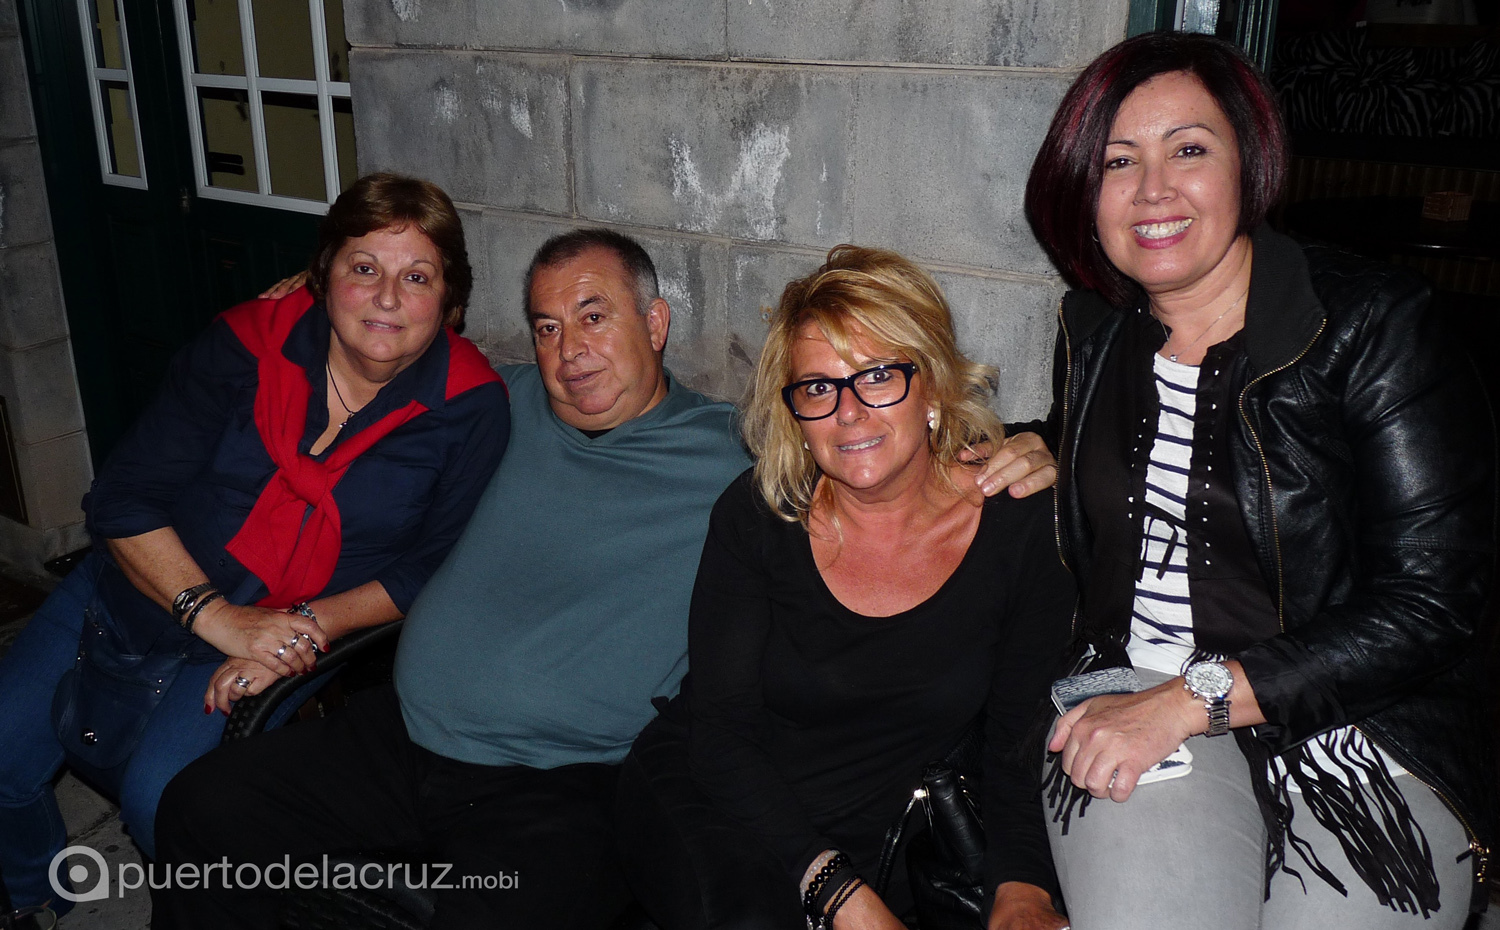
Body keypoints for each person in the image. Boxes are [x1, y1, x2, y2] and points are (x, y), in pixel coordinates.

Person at [151, 229, 1061, 930]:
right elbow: (380, 343)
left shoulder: (743, 457)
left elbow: (881, 438)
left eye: (594, 317)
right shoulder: (497, 403)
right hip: (401, 733)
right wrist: (301, 305)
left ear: (655, 325)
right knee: (201, 807)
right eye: (546, 327)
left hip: (564, 782)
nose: (568, 350)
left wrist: (1029, 444)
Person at [1023, 32, 1495, 930]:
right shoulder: (1093, 333)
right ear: (1084, 189)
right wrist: (1040, 443)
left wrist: (1197, 698)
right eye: (1119, 161)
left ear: (1250, 164)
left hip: (1360, 724)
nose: (1153, 189)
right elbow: (1151, 452)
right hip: (1136, 692)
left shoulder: (1373, 325)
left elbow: (1433, 602)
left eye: (1188, 150)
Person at [0, 173, 509, 913]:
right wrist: (215, 616)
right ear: (323, 275)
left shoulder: (470, 408)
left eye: (417, 277)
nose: (387, 298)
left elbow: (434, 565)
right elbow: (123, 497)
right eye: (364, 268)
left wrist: (300, 630)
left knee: (165, 803)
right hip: (144, 581)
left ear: (450, 299)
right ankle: (35, 893)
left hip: (289, 622)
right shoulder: (248, 343)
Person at [616, 245, 1075, 930]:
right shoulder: (759, 516)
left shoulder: (1020, 524)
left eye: (878, 375)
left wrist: (1022, 887)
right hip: (720, 807)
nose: (849, 412)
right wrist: (837, 893)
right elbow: (721, 737)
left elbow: (1019, 738)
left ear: (932, 386)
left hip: (885, 841)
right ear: (796, 415)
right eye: (817, 388)